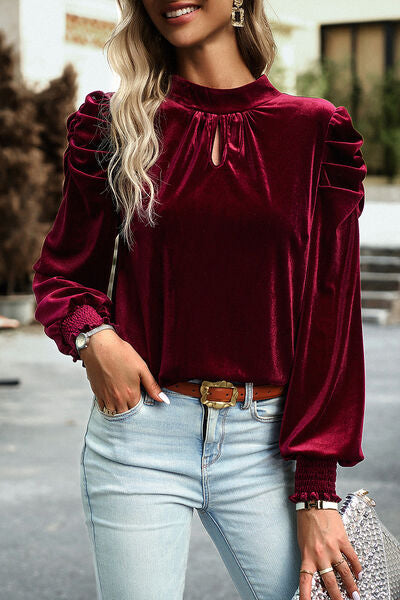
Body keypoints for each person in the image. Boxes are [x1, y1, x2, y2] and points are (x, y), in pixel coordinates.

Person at [32, 1, 367, 599]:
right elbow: (62, 273)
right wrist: (94, 337)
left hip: (269, 445)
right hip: (141, 436)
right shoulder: (117, 124)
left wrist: (316, 489)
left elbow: (330, 317)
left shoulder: (314, 130)